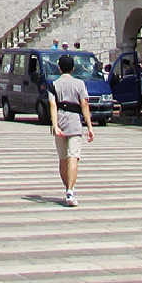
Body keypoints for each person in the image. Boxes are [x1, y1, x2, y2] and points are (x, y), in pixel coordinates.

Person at [50, 53, 93, 207]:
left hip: (60, 120)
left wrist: (55, 125)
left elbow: (53, 105)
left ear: (59, 68)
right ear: (73, 68)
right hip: (75, 121)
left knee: (62, 159)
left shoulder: (53, 84)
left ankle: (67, 189)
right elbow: (84, 105)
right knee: (73, 157)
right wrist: (89, 126)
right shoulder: (79, 84)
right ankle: (70, 190)